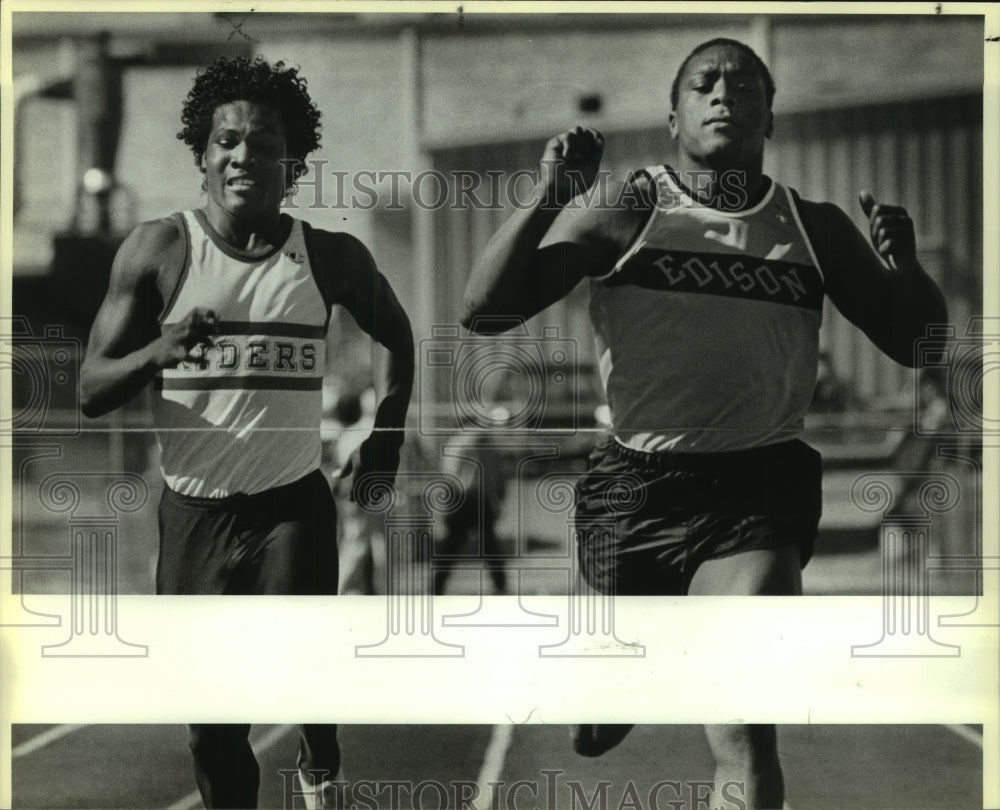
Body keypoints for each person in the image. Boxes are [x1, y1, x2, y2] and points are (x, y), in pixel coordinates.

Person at [461, 38, 947, 810]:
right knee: (589, 727)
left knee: (745, 729)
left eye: (744, 84)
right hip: (633, 491)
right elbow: (483, 311)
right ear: (674, 116)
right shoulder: (632, 208)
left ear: (769, 115)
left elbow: (922, 343)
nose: (725, 94)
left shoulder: (811, 226)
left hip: (756, 492)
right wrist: (550, 195)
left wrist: (909, 272)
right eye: (705, 83)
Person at [80, 55, 414, 810]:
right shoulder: (158, 251)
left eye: (265, 145)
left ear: (291, 163)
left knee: (295, 661)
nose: (244, 157)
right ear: (201, 153)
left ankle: (318, 742)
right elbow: (91, 388)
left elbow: (396, 332)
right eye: (228, 141)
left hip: (288, 503)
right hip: (194, 515)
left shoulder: (329, 256)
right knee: (213, 733)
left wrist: (386, 434)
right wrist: (158, 350)